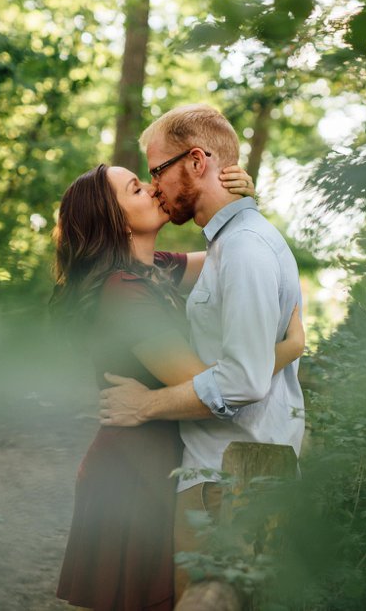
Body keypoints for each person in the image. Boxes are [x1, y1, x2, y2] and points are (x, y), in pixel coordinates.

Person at [52, 162, 304, 611]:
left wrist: (242, 202)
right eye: (135, 189)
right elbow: (213, 384)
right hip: (131, 473)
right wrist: (291, 346)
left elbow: (246, 254)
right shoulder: (125, 293)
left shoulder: (155, 270)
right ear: (112, 218)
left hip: (161, 459)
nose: (152, 189)